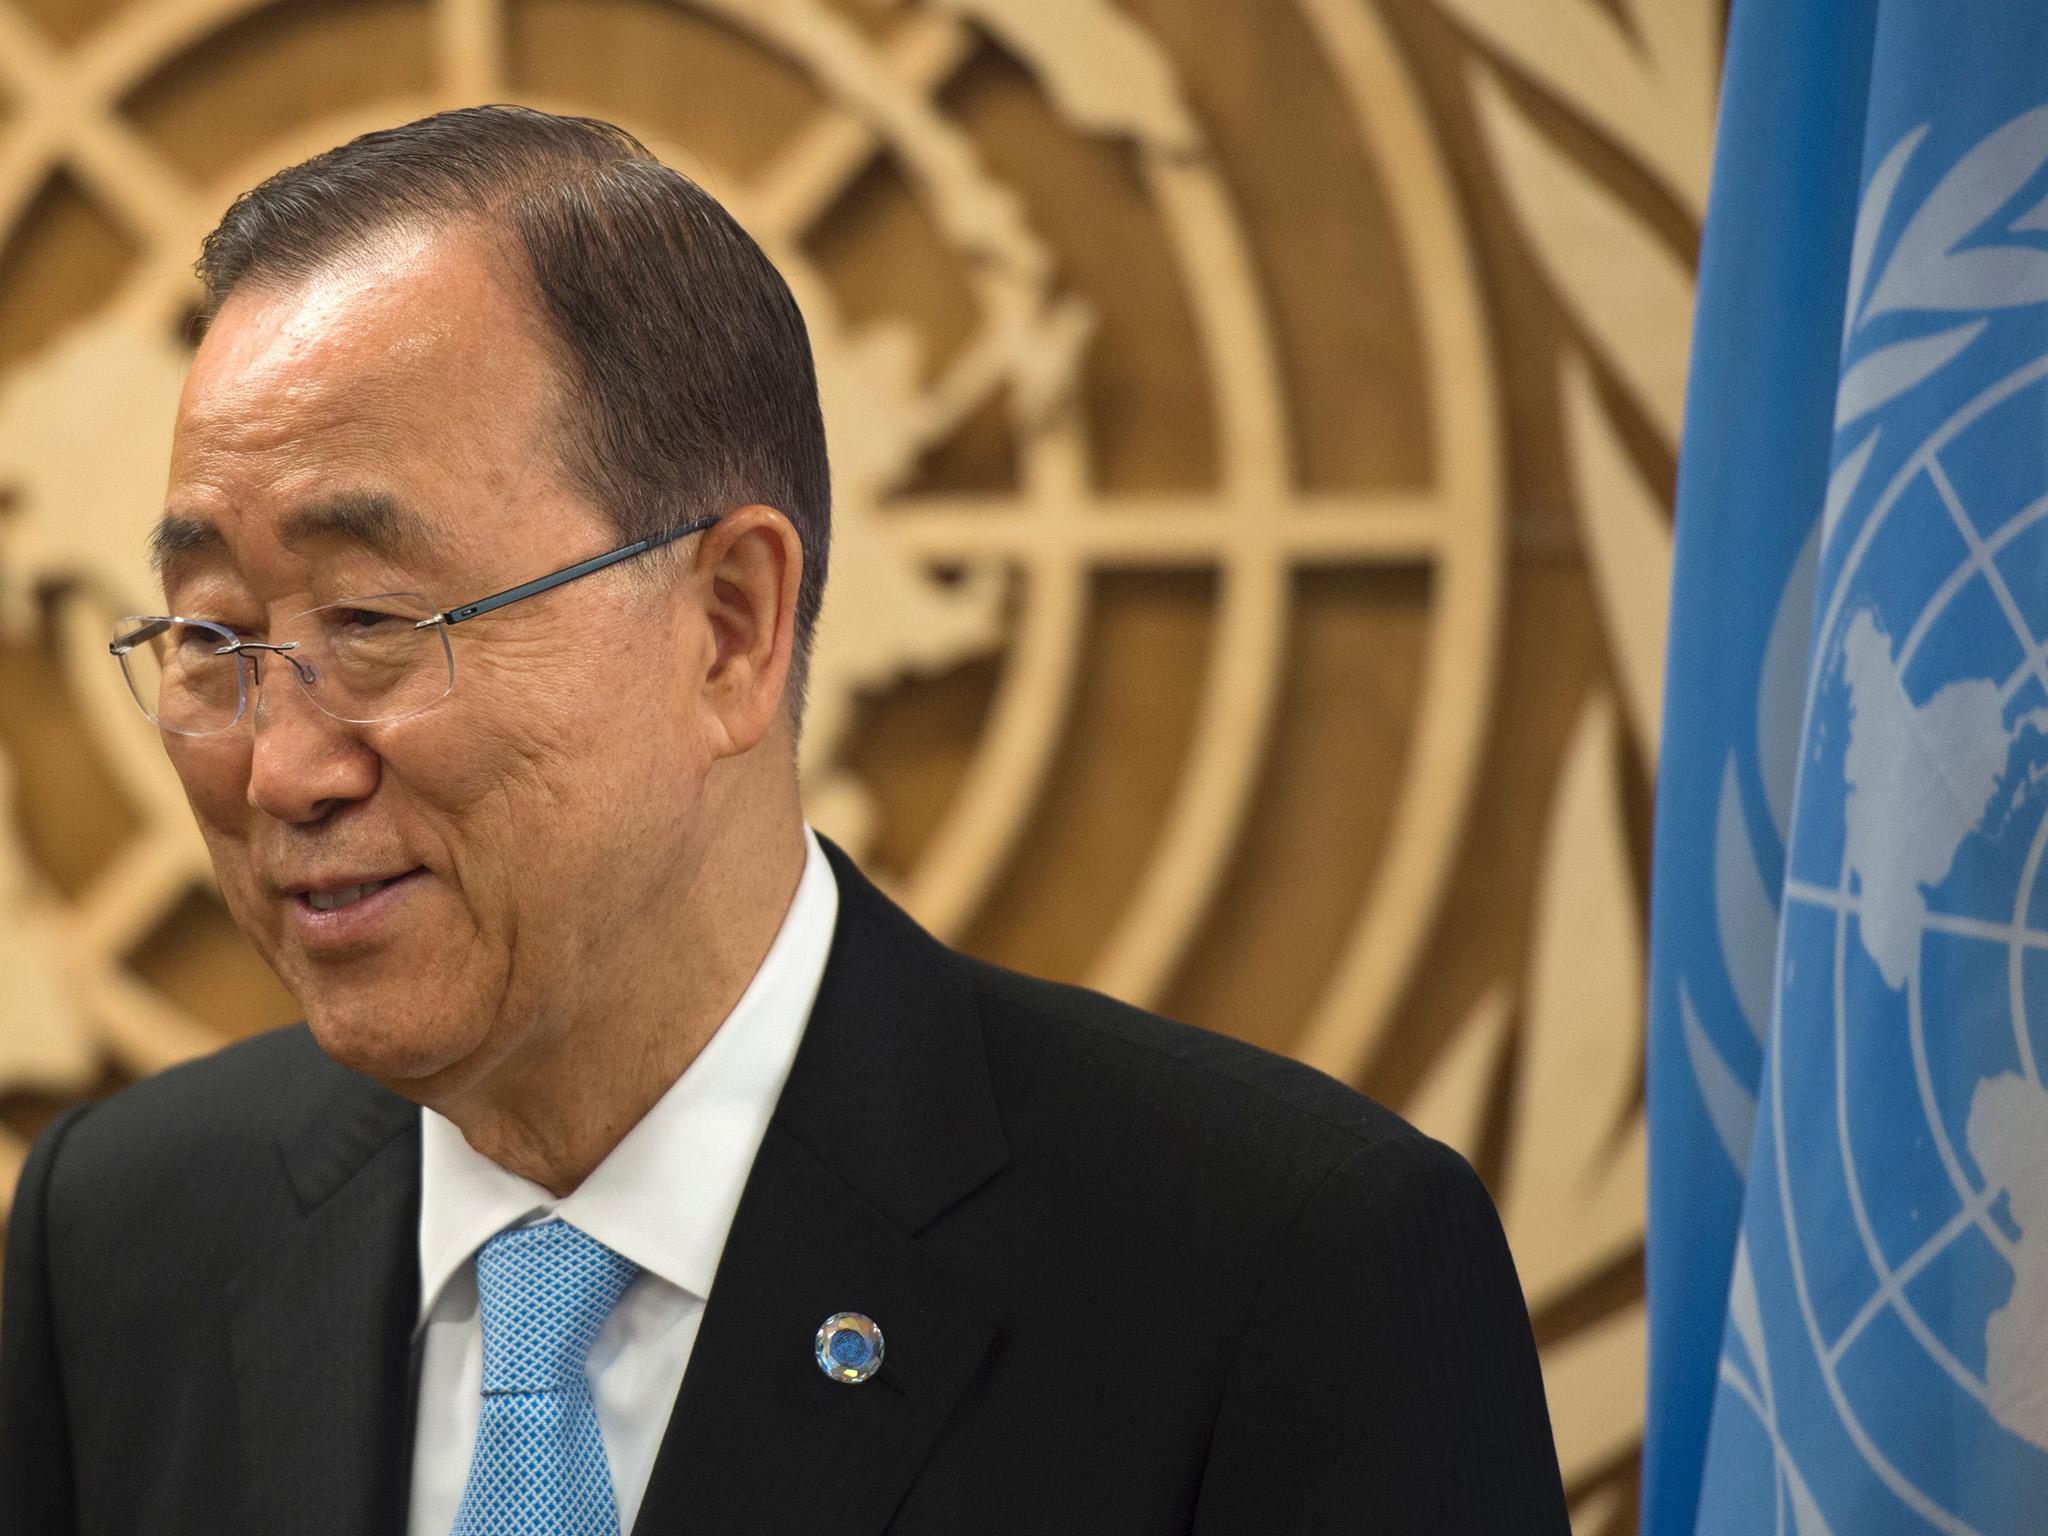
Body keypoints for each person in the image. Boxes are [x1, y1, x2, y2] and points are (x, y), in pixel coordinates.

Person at [0, 106, 1568, 1534]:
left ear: (731, 627)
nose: (281, 768)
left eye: (375, 620)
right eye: (211, 637)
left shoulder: (1276, 1274)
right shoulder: (123, 1239)